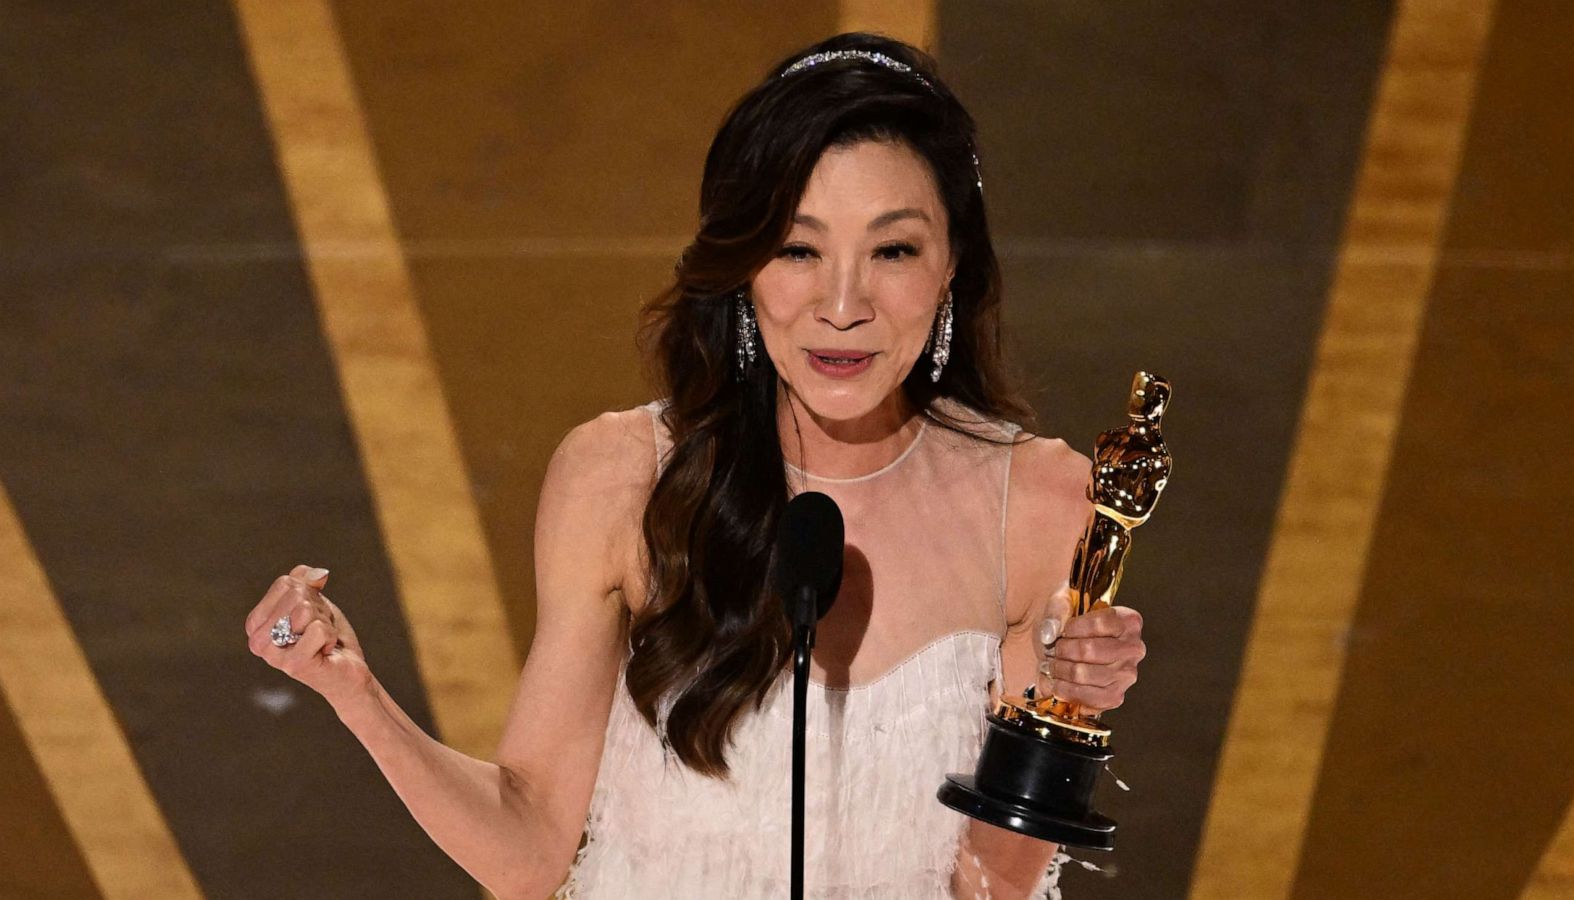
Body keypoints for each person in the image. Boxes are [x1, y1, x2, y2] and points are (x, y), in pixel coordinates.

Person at [245, 32, 1147, 900]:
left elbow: (989, 890)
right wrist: (353, 692)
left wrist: (1060, 725)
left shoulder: (1038, 505)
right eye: (799, 249)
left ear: (952, 264)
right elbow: (524, 857)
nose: (842, 306)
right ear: (744, 266)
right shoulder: (622, 480)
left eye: (894, 250)